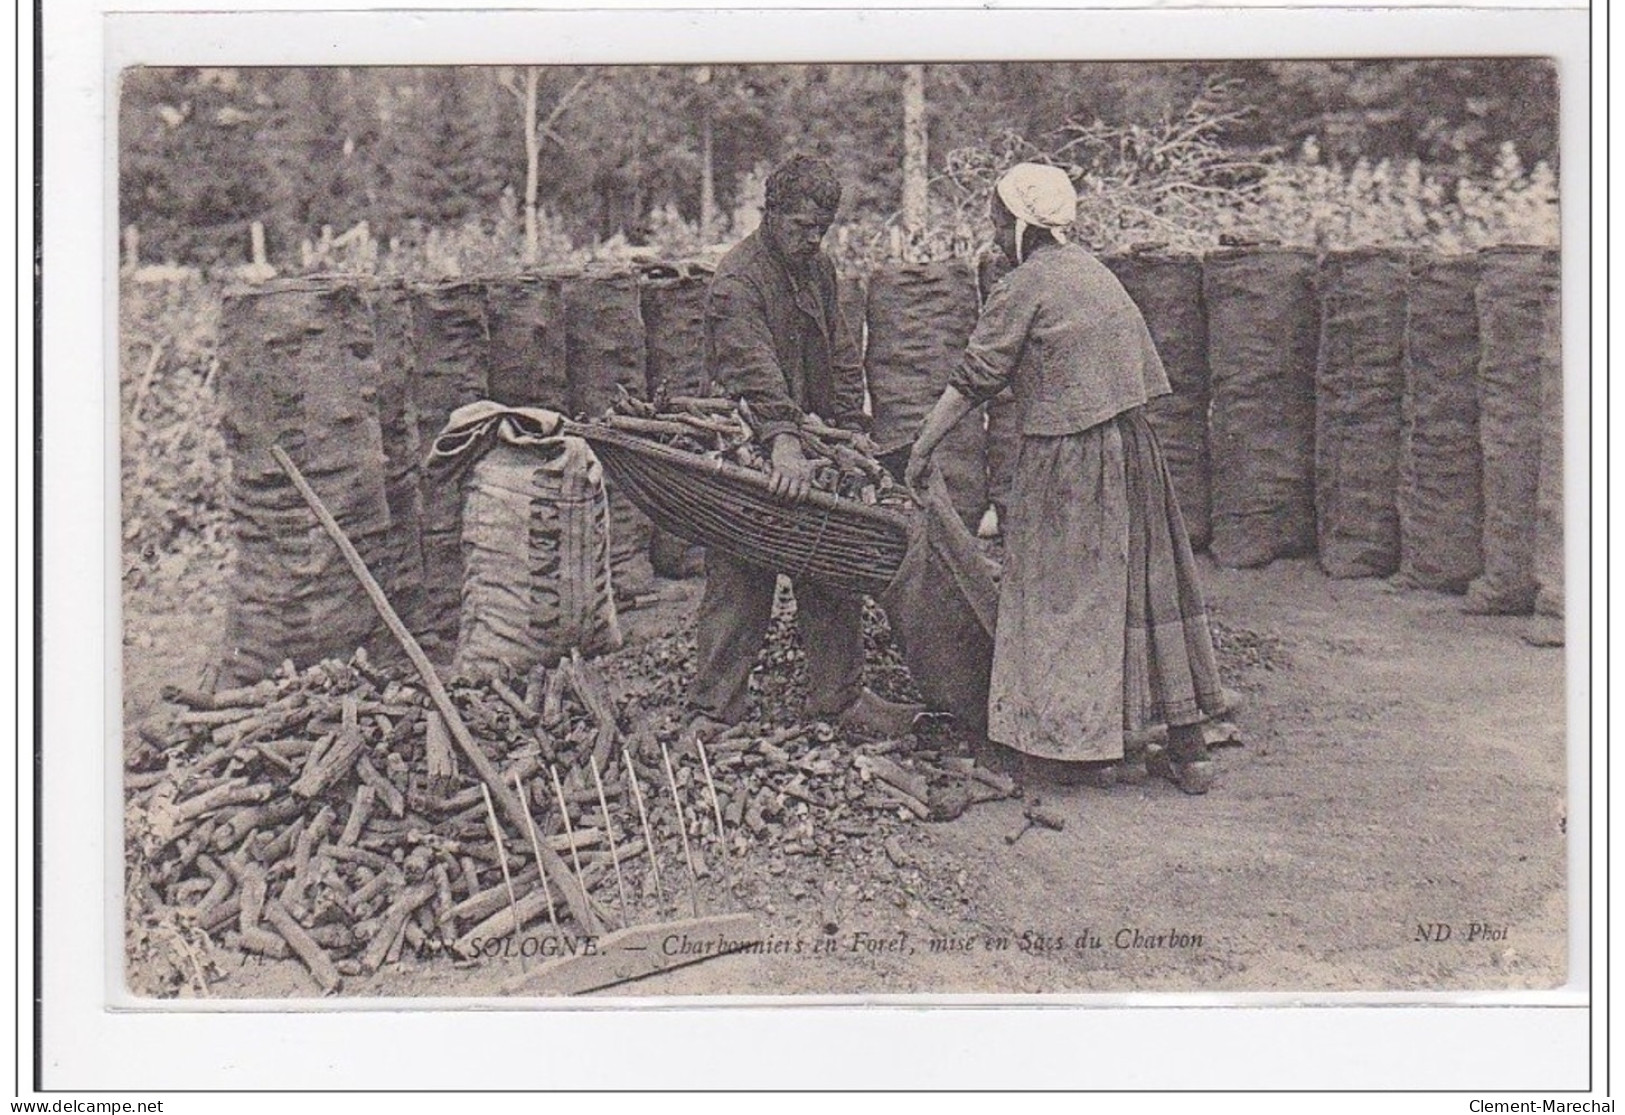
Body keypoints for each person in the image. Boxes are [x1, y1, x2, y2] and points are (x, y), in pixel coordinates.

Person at [905, 163, 1226, 794]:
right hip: (1136, 452)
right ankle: (1189, 751)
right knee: (1144, 587)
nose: (994, 236)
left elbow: (975, 380)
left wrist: (921, 449)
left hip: (1072, 458)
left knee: (1052, 596)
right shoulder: (1094, 273)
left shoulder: (1027, 286)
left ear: (1023, 226)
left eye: (1000, 224)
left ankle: (1043, 752)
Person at [685, 154, 924, 743]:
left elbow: (842, 352)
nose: (810, 238)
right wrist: (781, 441)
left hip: (811, 442)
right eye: (799, 226)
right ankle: (715, 711)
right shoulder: (737, 281)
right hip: (750, 441)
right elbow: (749, 366)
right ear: (770, 215)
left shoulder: (817, 268)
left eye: (820, 228)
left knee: (830, 565)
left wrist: (848, 429)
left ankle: (840, 699)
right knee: (740, 573)